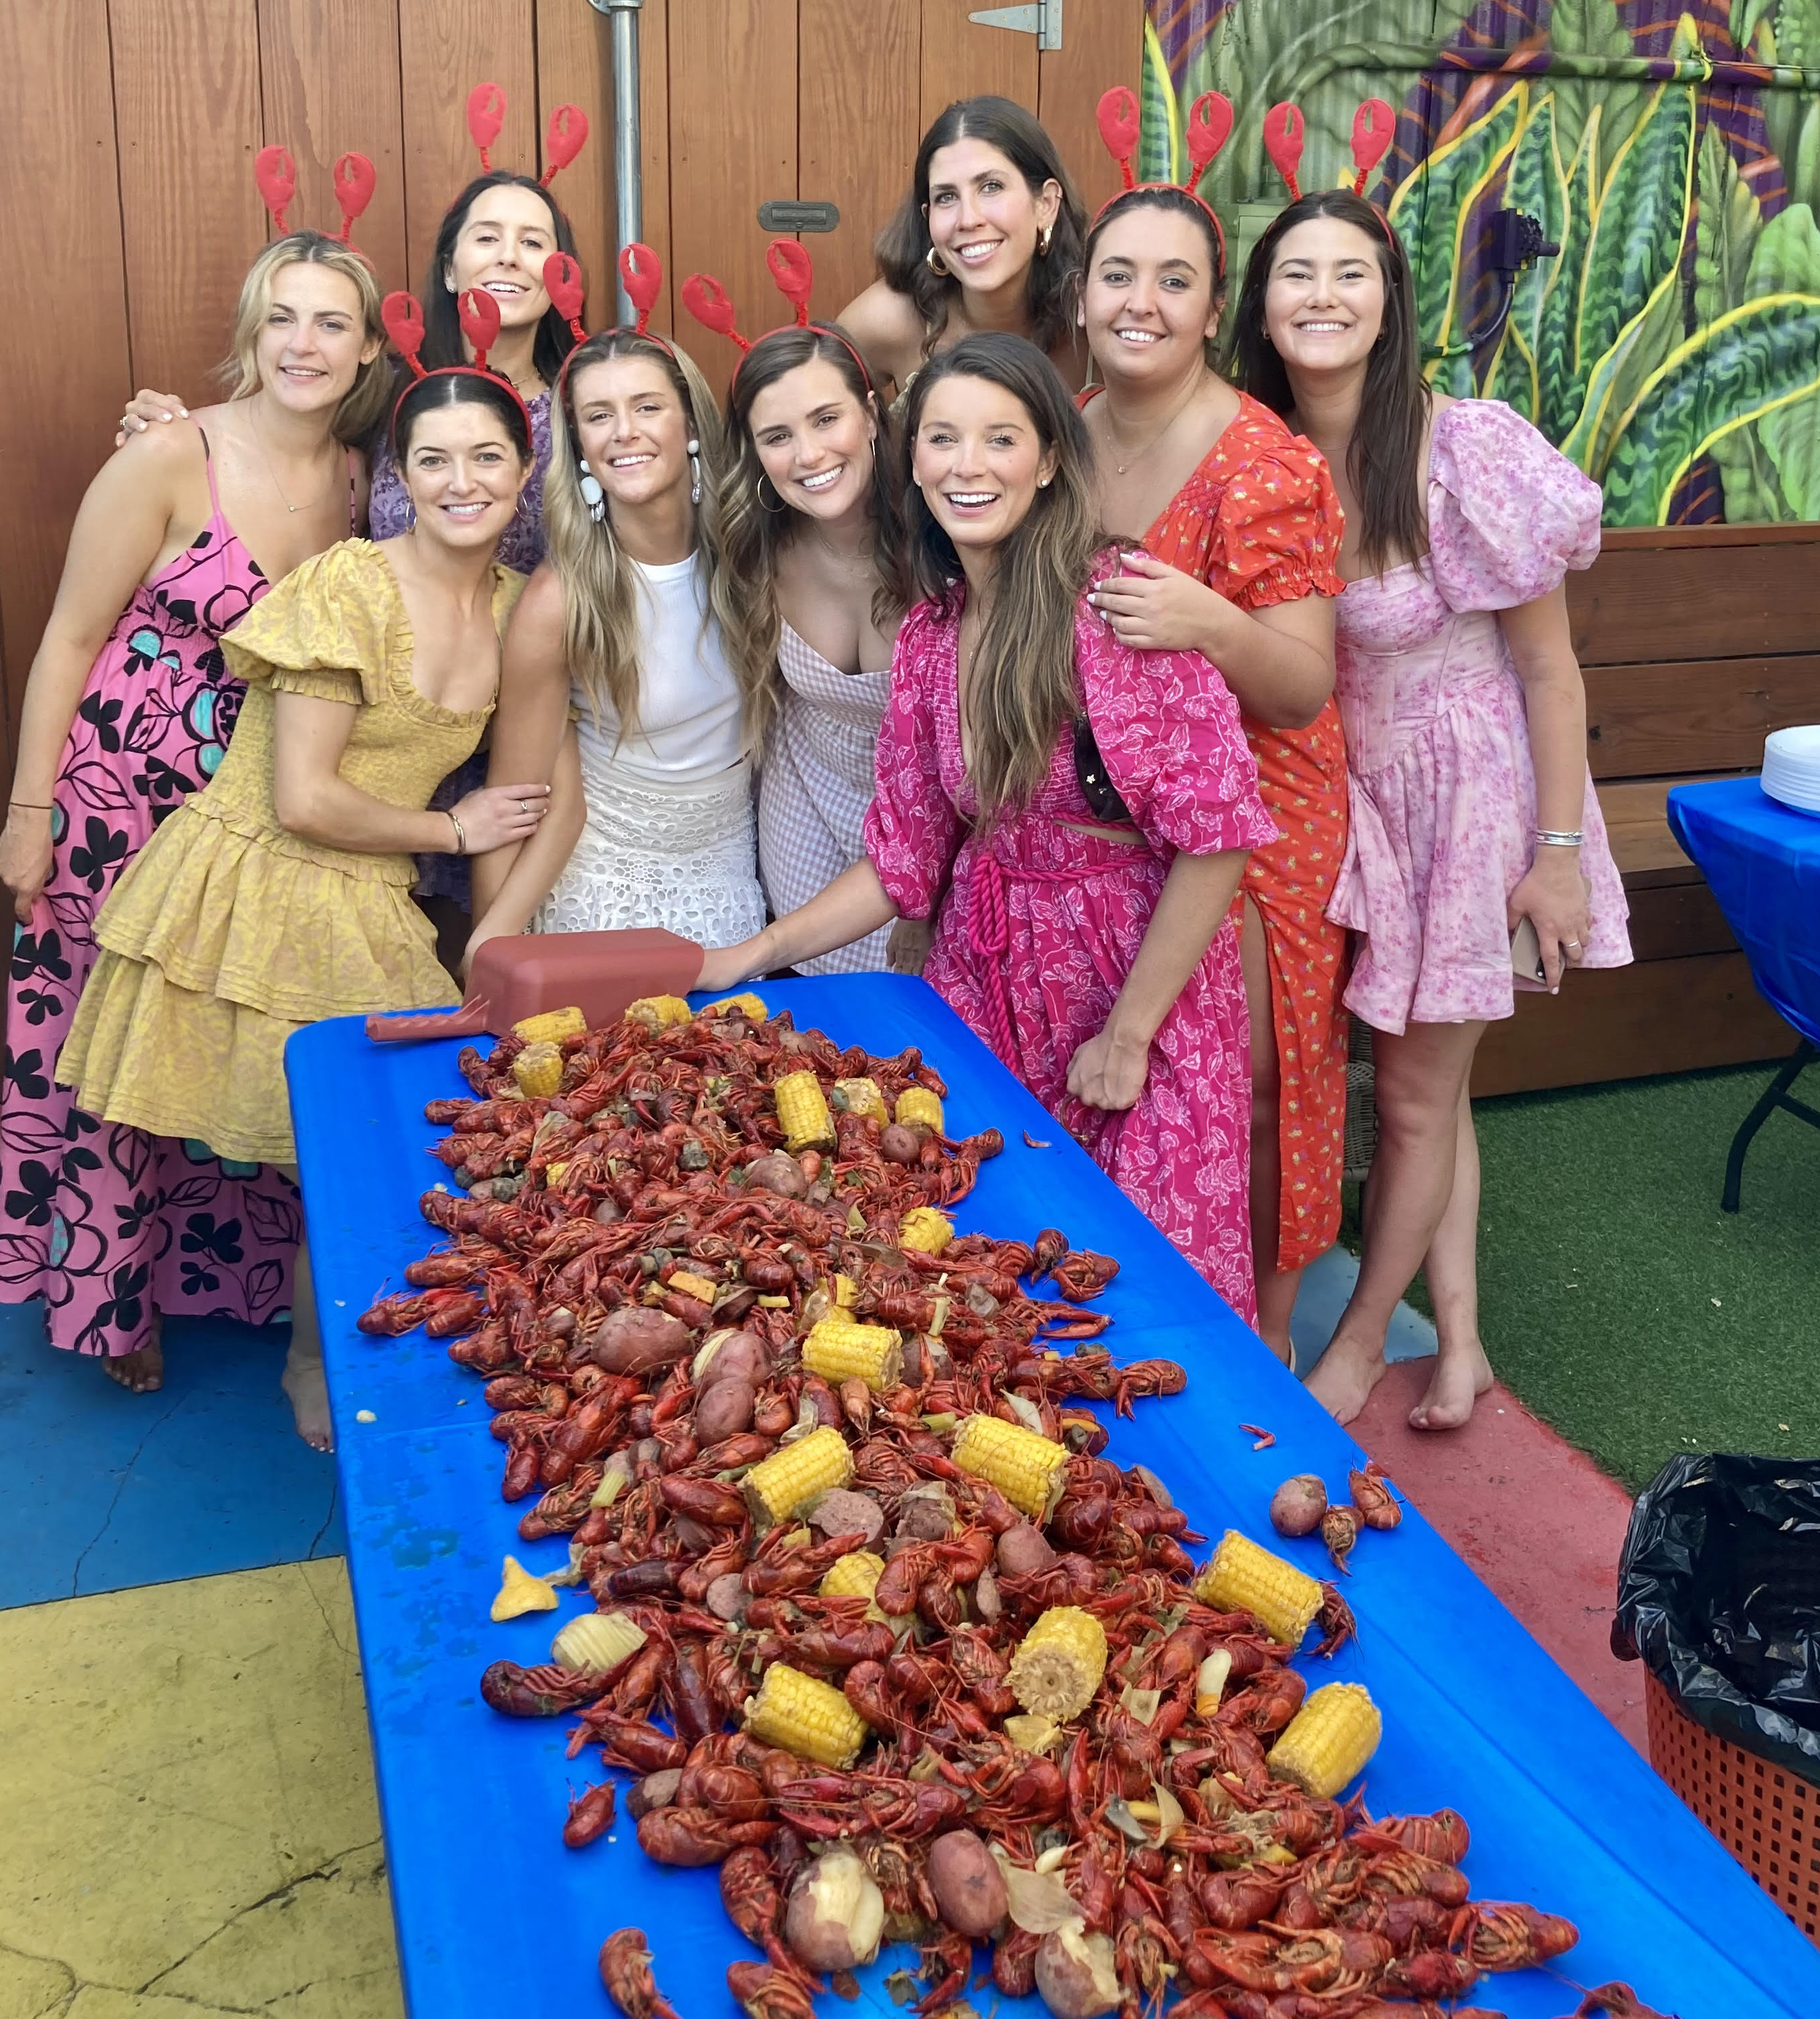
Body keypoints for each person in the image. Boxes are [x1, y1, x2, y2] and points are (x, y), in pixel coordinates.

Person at [698, 335, 1278, 1325]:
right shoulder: (930, 637)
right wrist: (750, 954)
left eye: (999, 439)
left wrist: (1131, 1034)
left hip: (1135, 979)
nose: (967, 465)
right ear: (911, 459)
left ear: (1049, 458)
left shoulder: (1114, 602)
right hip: (988, 977)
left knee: (1150, 1288)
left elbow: (1216, 834)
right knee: (994, 1282)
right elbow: (903, 859)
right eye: (943, 439)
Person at [57, 357, 550, 1448]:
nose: (459, 480)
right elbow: (305, 794)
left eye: (485, 457)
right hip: (254, 879)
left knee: (383, 1140)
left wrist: (502, 919)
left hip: (365, 895)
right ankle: (214, 1343)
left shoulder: (520, 605)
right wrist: (451, 830)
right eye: (432, 460)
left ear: (525, 472)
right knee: (271, 1135)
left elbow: (550, 781)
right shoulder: (348, 585)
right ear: (399, 479)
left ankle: (310, 1346)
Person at [1223, 180, 1629, 1430]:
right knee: (1427, 1092)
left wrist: (1551, 857)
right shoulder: (1258, 449)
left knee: (1407, 1095)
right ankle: (1459, 1343)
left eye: (1350, 272)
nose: (1322, 297)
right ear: (1261, 303)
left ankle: (1354, 1347)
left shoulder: (1464, 446)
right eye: (1295, 274)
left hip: (1468, 793)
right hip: (1343, 798)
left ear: (1389, 298)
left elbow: (1549, 671)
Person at [0, 231, 386, 1391]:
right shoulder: (170, 455)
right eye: (282, 318)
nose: (303, 344)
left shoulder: (367, 482)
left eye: (329, 322)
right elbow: (68, 636)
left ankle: (236, 1279)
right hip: (120, 795)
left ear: (365, 347)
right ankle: (107, 1302)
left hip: (258, 811)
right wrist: (29, 811)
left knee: (232, 1036)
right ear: (252, 333)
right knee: (109, 1054)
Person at [114, 109, 584, 917]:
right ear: (447, 266)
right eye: (486, 236)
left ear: (563, 275)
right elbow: (281, 423)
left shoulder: (586, 409)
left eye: (534, 240)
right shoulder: (388, 396)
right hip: (380, 757)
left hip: (526, 746)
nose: (509, 254)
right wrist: (166, 428)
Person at [1079, 176, 1347, 1354]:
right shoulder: (1063, 425)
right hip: (1112, 812)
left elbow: (1299, 684)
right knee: (1130, 1071)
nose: (1141, 301)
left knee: (1242, 1084)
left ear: (1208, 307)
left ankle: (1262, 1342)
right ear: (1082, 293)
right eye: (1118, 274)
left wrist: (1205, 622)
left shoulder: (1260, 462)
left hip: (1256, 812)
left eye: (1172, 280)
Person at [467, 322, 763, 954]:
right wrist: (489, 961)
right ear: (579, 446)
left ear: (689, 424)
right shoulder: (560, 600)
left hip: (727, 879)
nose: (624, 431)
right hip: (601, 889)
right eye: (599, 416)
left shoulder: (750, 556)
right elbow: (513, 800)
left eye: (647, 407)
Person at [690, 253, 914, 973]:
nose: (808, 454)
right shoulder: (754, 549)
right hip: (804, 822)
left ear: (873, 416)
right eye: (777, 436)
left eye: (827, 419)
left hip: (924, 839)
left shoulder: (943, 544)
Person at [835, 96, 1090, 400]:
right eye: (946, 197)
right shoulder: (888, 322)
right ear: (928, 217)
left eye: (991, 187)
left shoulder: (1093, 320)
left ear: (1045, 204)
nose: (968, 220)